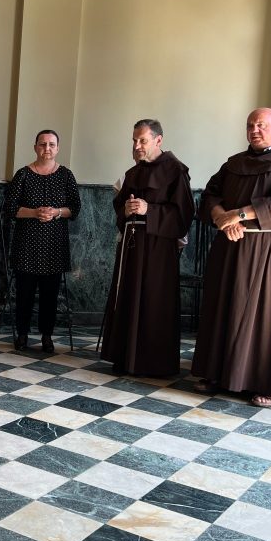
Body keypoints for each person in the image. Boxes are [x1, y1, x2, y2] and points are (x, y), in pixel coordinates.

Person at [192, 108, 271, 407]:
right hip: (230, 246)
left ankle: (264, 383)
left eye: (261, 125)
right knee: (223, 307)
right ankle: (215, 373)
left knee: (265, 314)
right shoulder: (233, 163)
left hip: (269, 249)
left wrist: (238, 215)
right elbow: (210, 195)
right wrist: (222, 218)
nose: (254, 130)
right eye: (250, 125)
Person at [101, 119, 194, 377]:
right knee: (129, 296)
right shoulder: (134, 173)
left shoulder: (176, 170)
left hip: (158, 247)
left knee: (154, 299)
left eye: (142, 140)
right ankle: (126, 357)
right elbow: (120, 206)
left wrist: (149, 210)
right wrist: (126, 209)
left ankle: (153, 362)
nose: (137, 146)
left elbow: (184, 214)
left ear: (158, 140)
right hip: (132, 244)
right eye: (134, 140)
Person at [6, 129, 81, 352]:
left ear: (57, 148)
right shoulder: (23, 174)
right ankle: (22, 334)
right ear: (35, 147)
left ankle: (47, 336)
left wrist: (56, 212)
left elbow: (75, 208)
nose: (46, 148)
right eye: (42, 144)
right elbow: (10, 208)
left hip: (54, 245)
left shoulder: (66, 175)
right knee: (24, 293)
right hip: (26, 244)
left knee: (50, 294)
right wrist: (34, 212)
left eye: (51, 144)